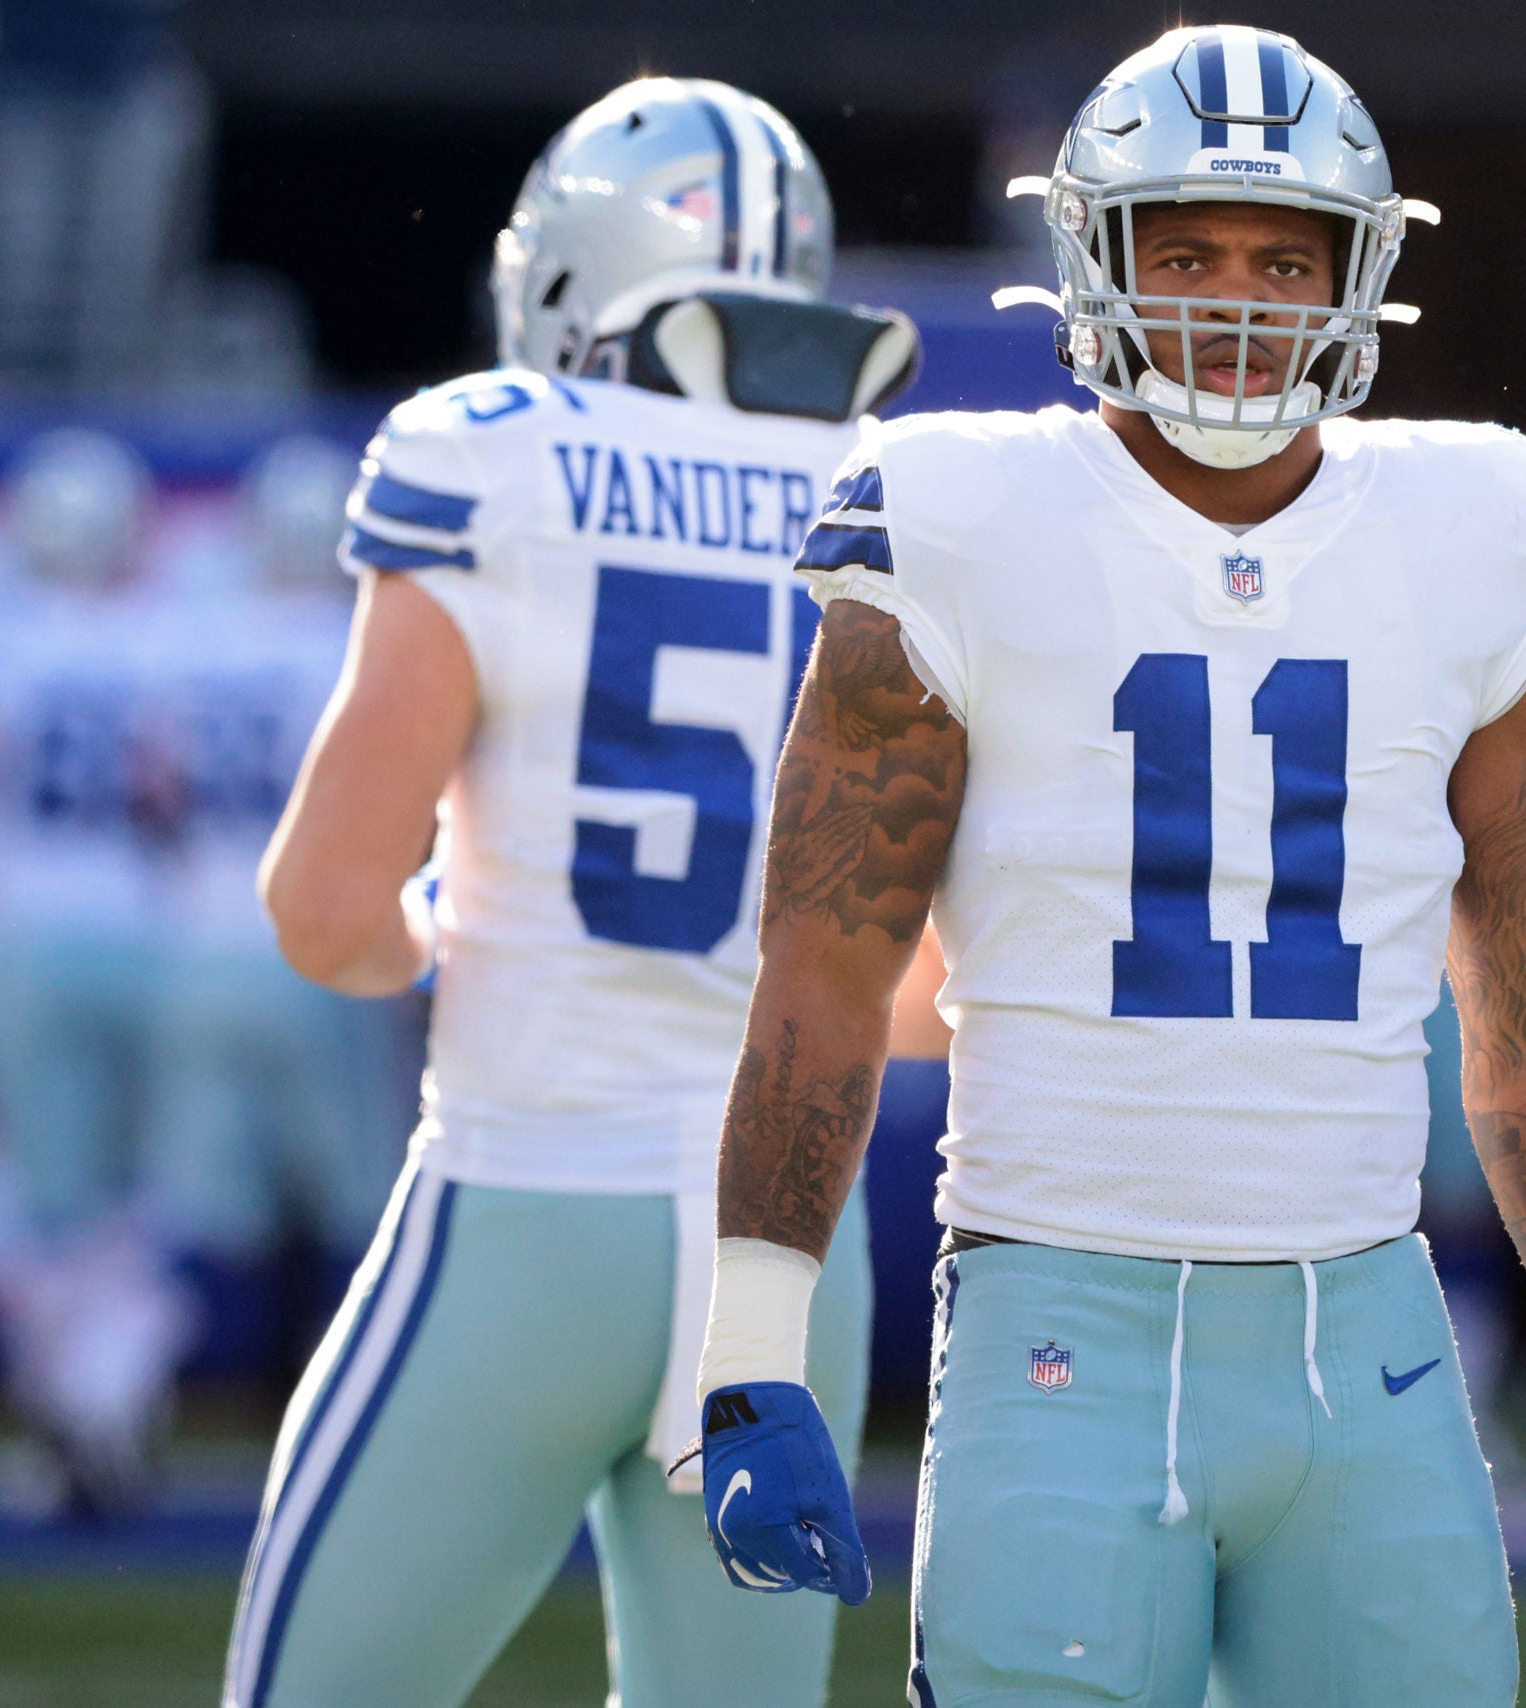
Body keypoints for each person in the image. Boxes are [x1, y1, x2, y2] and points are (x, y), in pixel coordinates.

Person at [687, 26, 1526, 1706]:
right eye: (1193, 251)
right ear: (1100, 262)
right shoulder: (956, 512)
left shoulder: (1482, 521)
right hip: (1055, 1314)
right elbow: (824, 967)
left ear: (1356, 278)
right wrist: (745, 1351)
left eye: (1284, 258)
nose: (1237, 300)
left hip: (1368, 1326)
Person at [222, 78, 920, 1708]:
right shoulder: (894, 493)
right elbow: (917, 978)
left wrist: (427, 942)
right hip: (796, 1251)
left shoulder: (494, 458)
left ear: (563, 273)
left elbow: (323, 903)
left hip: (532, 1199)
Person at [0, 427, 194, 1513]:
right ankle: (116, 1410)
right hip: (150, 933)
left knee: (47, 1208)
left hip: (33, 935)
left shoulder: (1, 638)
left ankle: (74, 1421)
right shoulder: (170, 638)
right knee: (133, 1200)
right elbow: (173, 795)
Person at [146, 436, 403, 1373]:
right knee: (352, 1195)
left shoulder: (203, 639)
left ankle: (141, 1398)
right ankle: (327, 1386)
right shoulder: (350, 641)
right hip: (317, 943)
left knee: (218, 1202)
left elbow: (156, 788)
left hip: (199, 948)